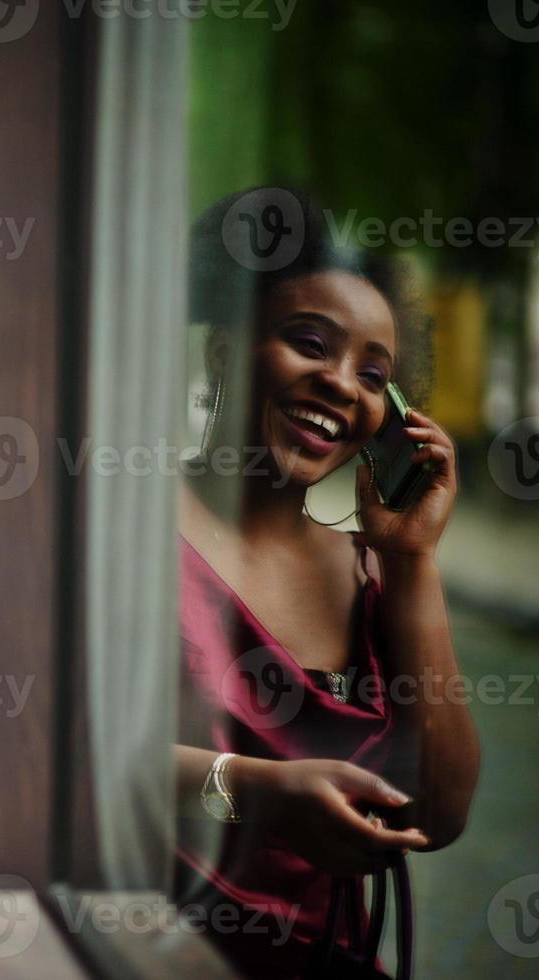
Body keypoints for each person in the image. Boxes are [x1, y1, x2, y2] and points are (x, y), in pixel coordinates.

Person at [173, 188, 480, 977]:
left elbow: (440, 815)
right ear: (222, 348)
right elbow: (65, 762)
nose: (343, 384)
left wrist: (413, 559)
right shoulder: (127, 534)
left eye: (374, 375)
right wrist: (258, 792)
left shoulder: (369, 566)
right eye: (310, 342)